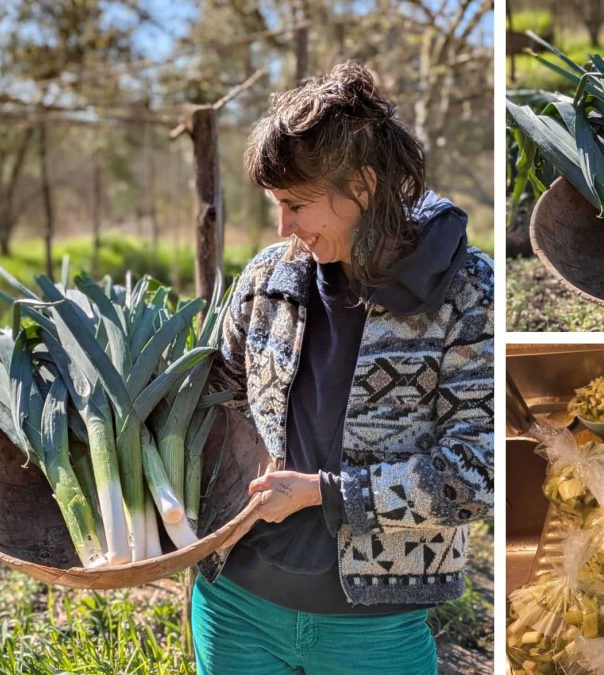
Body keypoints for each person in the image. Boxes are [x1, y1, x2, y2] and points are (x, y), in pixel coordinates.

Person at [192, 62, 494, 675]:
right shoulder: (269, 278)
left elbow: (478, 474)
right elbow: (212, 402)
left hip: (373, 626)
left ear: (361, 186)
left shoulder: (467, 293)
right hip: (235, 604)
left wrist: (323, 495)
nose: (284, 229)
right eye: (277, 206)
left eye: (297, 205)